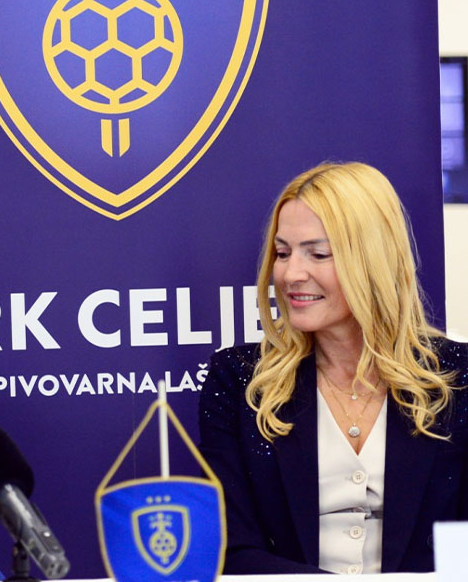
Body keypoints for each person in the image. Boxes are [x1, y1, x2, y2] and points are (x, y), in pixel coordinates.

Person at [198, 161, 468, 574]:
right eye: (282, 253)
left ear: (373, 260)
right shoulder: (239, 379)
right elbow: (230, 550)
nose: (291, 273)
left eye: (318, 254)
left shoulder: (457, 377)